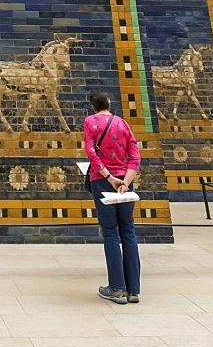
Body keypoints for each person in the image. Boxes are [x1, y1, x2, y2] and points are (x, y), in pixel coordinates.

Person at [84, 88, 141, 305]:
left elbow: (92, 153)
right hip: (126, 182)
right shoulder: (123, 123)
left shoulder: (90, 122)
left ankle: (117, 288)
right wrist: (125, 181)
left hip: (102, 181)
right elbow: (135, 155)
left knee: (110, 233)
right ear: (109, 103)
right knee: (128, 232)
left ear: (93, 106)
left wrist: (109, 178)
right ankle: (133, 290)